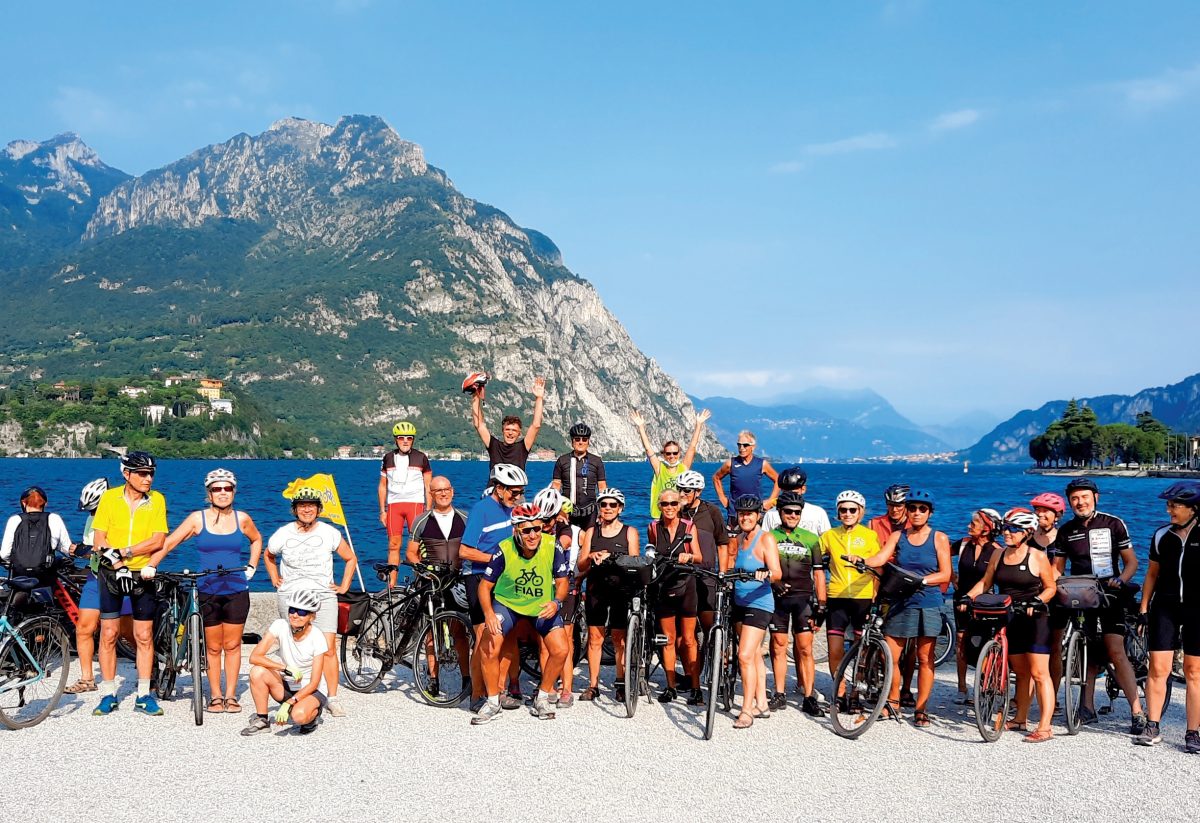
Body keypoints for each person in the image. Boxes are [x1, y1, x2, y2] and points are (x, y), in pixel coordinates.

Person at [145, 469, 263, 713]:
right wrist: (151, 564)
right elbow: (170, 542)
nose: (222, 493)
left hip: (236, 588)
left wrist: (252, 565)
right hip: (207, 588)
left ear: (234, 491)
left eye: (227, 488)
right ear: (209, 494)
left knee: (232, 646)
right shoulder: (198, 519)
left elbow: (257, 540)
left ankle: (231, 695)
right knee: (212, 646)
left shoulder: (242, 518)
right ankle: (215, 695)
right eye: (217, 489)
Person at [1049, 477, 1145, 732]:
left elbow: (1132, 563)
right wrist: (1054, 587)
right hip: (1081, 593)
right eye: (1075, 499)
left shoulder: (1113, 524)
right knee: (1086, 651)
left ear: (1095, 498)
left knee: (1115, 650)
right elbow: (1057, 568)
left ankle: (1137, 712)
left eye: (1084, 497)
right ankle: (1087, 707)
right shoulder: (1066, 530)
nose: (1080, 502)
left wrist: (1120, 580)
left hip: (1110, 594)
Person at [963, 511, 1057, 742]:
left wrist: (1038, 601)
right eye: (1006, 527)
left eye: (1014, 529)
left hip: (1035, 619)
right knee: (1021, 673)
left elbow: (1050, 587)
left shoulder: (1037, 556)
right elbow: (986, 582)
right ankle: (1019, 719)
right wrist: (968, 597)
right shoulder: (998, 554)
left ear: (1027, 533)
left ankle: (1045, 727)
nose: (1007, 532)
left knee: (1039, 673)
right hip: (1009, 616)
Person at [472, 504, 570, 724]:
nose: (533, 535)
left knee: (561, 649)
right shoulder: (503, 549)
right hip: (508, 604)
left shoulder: (552, 545)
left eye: (537, 528)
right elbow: (484, 587)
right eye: (527, 530)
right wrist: (488, 613)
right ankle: (492, 701)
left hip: (541, 606)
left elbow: (563, 583)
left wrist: (556, 602)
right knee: (489, 645)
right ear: (516, 530)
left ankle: (542, 698)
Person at [264, 486, 357, 718]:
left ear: (318, 509)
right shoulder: (283, 533)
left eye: (312, 506)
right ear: (295, 509)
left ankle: (332, 698)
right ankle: (296, 691)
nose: (307, 510)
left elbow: (350, 558)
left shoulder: (329, 532)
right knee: (291, 646)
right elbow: (268, 554)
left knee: (327, 649)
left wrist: (344, 586)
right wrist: (274, 576)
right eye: (302, 506)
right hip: (291, 596)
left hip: (322, 596)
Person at [866, 489, 952, 727]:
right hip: (901, 600)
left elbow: (946, 573)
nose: (916, 513)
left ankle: (921, 709)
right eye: (912, 508)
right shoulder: (898, 535)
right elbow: (881, 558)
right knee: (891, 654)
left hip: (928, 601)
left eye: (922, 509)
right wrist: (861, 561)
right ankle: (892, 701)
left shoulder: (939, 538)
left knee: (925, 658)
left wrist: (923, 581)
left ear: (929, 513)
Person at [91, 451, 168, 717]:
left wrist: (125, 553)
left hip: (142, 574)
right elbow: (99, 540)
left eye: (151, 474)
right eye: (142, 474)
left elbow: (158, 540)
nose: (149, 479)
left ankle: (144, 695)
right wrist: (118, 565)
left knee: (143, 636)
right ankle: (108, 693)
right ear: (127, 474)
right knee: (109, 633)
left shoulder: (156, 500)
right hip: (111, 572)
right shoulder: (110, 498)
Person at [1137, 482, 1200, 750]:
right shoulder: (1162, 535)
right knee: (1158, 668)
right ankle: (1152, 725)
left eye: (1175, 506)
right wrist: (1143, 609)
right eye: (1169, 505)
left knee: (1194, 671)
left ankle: (1193, 732)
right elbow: (1151, 574)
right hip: (1165, 606)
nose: (1169, 510)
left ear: (1193, 509)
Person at [460, 463, 526, 712]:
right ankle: (477, 695)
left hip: (504, 579)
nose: (517, 497)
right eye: (513, 492)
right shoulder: (482, 509)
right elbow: (464, 551)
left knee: (507, 636)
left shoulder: (513, 510)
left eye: (520, 492)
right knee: (483, 638)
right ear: (499, 488)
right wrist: (496, 560)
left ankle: (498, 692)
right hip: (478, 577)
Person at [65, 477, 134, 695]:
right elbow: (93, 546)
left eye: (94, 510)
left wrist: (83, 550)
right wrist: (83, 550)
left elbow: (108, 548)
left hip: (120, 578)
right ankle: (87, 679)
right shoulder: (93, 519)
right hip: (96, 578)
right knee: (84, 628)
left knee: (126, 631)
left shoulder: (122, 516)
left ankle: (149, 667)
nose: (92, 515)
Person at [766, 490, 826, 716]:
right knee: (778, 645)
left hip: (803, 599)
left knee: (805, 649)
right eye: (788, 511)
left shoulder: (811, 539)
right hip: (778, 599)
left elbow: (819, 573)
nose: (792, 515)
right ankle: (779, 694)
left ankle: (809, 695)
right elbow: (764, 568)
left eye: (797, 512)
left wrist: (822, 604)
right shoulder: (770, 536)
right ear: (780, 512)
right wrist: (774, 582)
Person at [577, 487, 639, 702]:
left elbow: (636, 563)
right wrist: (592, 555)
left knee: (619, 639)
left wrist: (614, 556)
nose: (608, 508)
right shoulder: (592, 532)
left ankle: (620, 682)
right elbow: (581, 563)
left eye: (613, 505)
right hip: (596, 589)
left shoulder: (630, 532)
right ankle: (593, 685)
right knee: (595, 638)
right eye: (604, 504)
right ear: (599, 508)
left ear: (620, 508)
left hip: (620, 590)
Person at [241, 589, 330, 736]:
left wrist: (290, 702)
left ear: (311, 616)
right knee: (257, 671)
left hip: (311, 690)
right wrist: (284, 667)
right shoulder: (280, 625)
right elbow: (255, 657)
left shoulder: (317, 637)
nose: (295, 615)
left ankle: (312, 716)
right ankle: (262, 720)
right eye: (292, 610)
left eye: (302, 612)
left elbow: (314, 683)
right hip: (288, 684)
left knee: (299, 716)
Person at [818, 489, 881, 697]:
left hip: (862, 598)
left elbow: (878, 569)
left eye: (852, 510)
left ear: (861, 512)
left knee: (860, 650)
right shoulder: (829, 536)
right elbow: (813, 558)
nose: (847, 513)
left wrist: (876, 596)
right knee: (835, 650)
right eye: (843, 510)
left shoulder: (870, 536)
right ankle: (840, 693)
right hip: (837, 597)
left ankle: (855, 694)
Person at [728, 495, 781, 729]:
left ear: (758, 515)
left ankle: (747, 711)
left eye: (749, 514)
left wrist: (765, 573)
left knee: (744, 656)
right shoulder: (738, 539)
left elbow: (777, 572)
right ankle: (762, 703)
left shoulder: (765, 539)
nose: (745, 517)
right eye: (741, 514)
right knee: (755, 655)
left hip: (759, 603)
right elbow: (731, 567)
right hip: (739, 601)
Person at [647, 488, 702, 704]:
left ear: (679, 506)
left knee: (688, 640)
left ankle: (696, 687)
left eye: (673, 503)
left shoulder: (689, 527)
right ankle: (671, 686)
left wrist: (688, 556)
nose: (669, 507)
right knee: (668, 639)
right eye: (664, 504)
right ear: (659, 506)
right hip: (664, 585)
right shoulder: (653, 527)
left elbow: (699, 556)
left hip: (686, 585)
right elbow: (651, 552)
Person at [533, 488, 579, 707]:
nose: (545, 524)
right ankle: (548, 686)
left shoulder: (564, 527)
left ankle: (567, 690)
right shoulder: (535, 526)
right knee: (544, 643)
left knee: (566, 641)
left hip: (563, 586)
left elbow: (564, 544)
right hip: (542, 587)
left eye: (549, 520)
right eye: (542, 520)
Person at [950, 508, 1001, 704]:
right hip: (960, 599)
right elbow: (941, 554)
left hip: (984, 603)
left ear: (987, 529)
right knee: (961, 640)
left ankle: (984, 686)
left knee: (984, 643)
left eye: (974, 523)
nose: (969, 526)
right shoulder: (963, 544)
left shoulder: (996, 550)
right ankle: (962, 688)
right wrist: (951, 577)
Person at [377, 420, 432, 586]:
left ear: (413, 439)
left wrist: (428, 509)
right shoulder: (387, 458)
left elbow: (428, 485)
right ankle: (392, 584)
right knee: (394, 545)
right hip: (394, 506)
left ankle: (419, 582)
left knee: (416, 547)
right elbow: (382, 486)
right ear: (396, 439)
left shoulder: (421, 457)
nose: (405, 441)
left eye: (409, 437)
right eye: (401, 438)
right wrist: (382, 510)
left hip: (415, 504)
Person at [630, 407, 710, 518]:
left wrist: (699, 424)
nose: (672, 456)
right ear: (664, 455)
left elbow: (692, 446)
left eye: (675, 453)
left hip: (679, 516)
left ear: (679, 453)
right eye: (668, 453)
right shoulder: (660, 468)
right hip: (661, 516)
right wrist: (641, 427)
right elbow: (648, 449)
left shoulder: (683, 468)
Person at [470, 376, 546, 473]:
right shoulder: (494, 445)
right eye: (507, 429)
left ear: (519, 433)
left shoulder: (523, 447)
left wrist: (539, 398)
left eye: (514, 430)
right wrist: (475, 394)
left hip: (515, 488)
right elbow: (479, 424)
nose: (510, 433)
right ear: (502, 430)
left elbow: (536, 425)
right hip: (495, 488)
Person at [1, 486, 73, 578]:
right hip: (45, 575)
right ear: (45, 504)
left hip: (19, 574)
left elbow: (4, 554)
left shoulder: (14, 520)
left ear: (23, 503)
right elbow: (67, 549)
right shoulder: (54, 518)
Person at [713, 432, 780, 528]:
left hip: (755, 512)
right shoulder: (730, 464)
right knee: (733, 541)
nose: (741, 448)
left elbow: (778, 480)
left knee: (755, 540)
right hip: (734, 512)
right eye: (739, 445)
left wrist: (770, 500)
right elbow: (716, 477)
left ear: (753, 447)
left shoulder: (762, 464)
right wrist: (722, 498)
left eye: (745, 445)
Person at [552, 422, 607, 531]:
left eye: (584, 439)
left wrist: (603, 511)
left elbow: (602, 487)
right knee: (564, 542)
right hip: (566, 511)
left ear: (588, 442)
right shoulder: (562, 460)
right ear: (572, 441)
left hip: (590, 512)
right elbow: (556, 486)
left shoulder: (596, 461)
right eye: (577, 439)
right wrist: (556, 510)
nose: (581, 442)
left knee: (589, 544)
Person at [407, 476, 467, 566]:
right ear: (431, 494)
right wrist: (422, 570)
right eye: (438, 491)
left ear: (452, 492)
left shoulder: (466, 518)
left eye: (447, 489)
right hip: (431, 577)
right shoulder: (421, 521)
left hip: (460, 576)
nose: (443, 494)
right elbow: (411, 553)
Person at [762, 467, 830, 536]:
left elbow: (827, 540)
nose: (791, 498)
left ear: (803, 489)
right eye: (787, 493)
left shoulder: (818, 513)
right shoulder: (771, 514)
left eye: (795, 493)